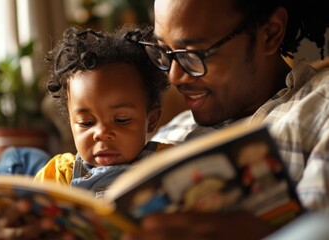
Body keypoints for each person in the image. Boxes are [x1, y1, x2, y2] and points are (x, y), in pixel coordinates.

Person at [120, 0, 329, 239]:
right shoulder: (172, 132)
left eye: (193, 54)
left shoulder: (320, 109)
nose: (174, 77)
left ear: (270, 34)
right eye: (163, 52)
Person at [0, 25, 170, 239]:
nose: (101, 134)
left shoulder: (167, 163)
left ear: (151, 121)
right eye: (86, 123)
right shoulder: (61, 173)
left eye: (121, 120)